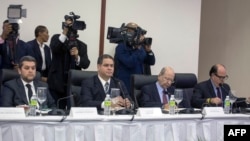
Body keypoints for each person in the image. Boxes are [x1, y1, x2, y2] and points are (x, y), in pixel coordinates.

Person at [47, 15, 90, 109]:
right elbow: (55, 48)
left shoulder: (81, 45)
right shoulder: (57, 38)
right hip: (57, 84)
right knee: (56, 111)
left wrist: (77, 57)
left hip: (73, 85)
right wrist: (65, 31)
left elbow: (86, 64)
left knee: (73, 111)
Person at [114, 22, 155, 92]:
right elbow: (130, 63)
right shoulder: (121, 47)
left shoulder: (141, 47)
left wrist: (149, 51)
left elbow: (151, 62)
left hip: (140, 81)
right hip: (126, 83)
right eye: (131, 32)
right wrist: (138, 48)